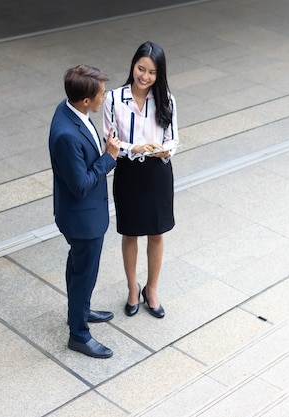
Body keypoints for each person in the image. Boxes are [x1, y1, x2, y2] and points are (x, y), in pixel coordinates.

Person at [49, 65, 121, 358]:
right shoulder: (66, 134)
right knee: (84, 273)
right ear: (86, 101)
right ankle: (78, 334)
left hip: (81, 215)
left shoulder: (68, 109)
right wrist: (108, 158)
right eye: (101, 94)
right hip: (83, 219)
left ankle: (79, 310)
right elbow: (80, 185)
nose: (105, 98)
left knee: (78, 266)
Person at [103, 41, 179, 319]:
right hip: (129, 172)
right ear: (133, 65)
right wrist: (130, 148)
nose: (144, 76)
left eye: (152, 72)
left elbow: (174, 139)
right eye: (141, 69)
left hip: (158, 171)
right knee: (130, 232)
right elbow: (108, 141)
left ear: (160, 75)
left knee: (157, 233)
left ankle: (152, 289)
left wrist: (163, 150)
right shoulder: (113, 98)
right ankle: (132, 288)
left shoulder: (167, 100)